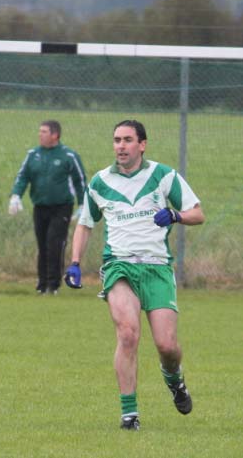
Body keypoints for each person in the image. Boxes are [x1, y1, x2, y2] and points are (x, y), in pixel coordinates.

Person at [64, 120, 205, 430]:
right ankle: (129, 415)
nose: (121, 146)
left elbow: (198, 213)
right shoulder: (100, 181)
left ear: (142, 145)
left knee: (167, 346)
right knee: (128, 333)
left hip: (156, 268)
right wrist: (74, 262)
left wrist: (175, 215)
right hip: (119, 266)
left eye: (128, 140)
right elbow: (86, 224)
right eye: (116, 140)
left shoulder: (163, 176)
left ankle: (175, 380)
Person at [9, 120, 86, 295]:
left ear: (55, 135)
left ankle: (54, 285)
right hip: (40, 206)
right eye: (40, 131)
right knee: (42, 244)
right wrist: (16, 196)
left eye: (44, 131)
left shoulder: (68, 156)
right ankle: (42, 284)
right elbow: (23, 177)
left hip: (61, 207)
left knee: (54, 244)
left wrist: (83, 205)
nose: (40, 134)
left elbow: (80, 181)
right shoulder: (33, 154)